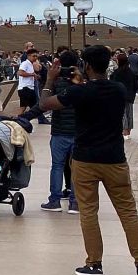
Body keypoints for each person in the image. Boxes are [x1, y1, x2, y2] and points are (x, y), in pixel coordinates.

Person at [35, 46, 138, 275]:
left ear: (86, 66)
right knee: (128, 212)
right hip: (115, 159)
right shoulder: (118, 89)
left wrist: (49, 79)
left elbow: (45, 103)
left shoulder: (81, 93)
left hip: (85, 159)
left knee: (88, 212)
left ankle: (94, 264)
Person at [40, 50, 80, 215]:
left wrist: (50, 79)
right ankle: (75, 202)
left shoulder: (56, 83)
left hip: (59, 131)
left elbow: (43, 103)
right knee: (76, 168)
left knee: (57, 166)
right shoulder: (80, 83)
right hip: (78, 131)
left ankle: (54, 200)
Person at [111, 52, 138, 138]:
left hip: (120, 96)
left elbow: (113, 84)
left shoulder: (116, 73)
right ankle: (128, 131)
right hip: (130, 96)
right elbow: (135, 85)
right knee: (129, 113)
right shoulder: (131, 72)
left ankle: (124, 131)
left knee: (123, 114)